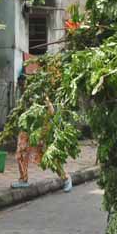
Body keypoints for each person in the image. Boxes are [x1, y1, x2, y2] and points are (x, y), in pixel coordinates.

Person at [11, 60, 73, 192]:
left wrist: (43, 127)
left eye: (23, 82)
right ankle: (23, 179)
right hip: (27, 128)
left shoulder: (39, 94)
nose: (21, 86)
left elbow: (51, 110)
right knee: (21, 152)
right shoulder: (24, 96)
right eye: (20, 83)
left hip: (41, 129)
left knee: (46, 155)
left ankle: (66, 178)